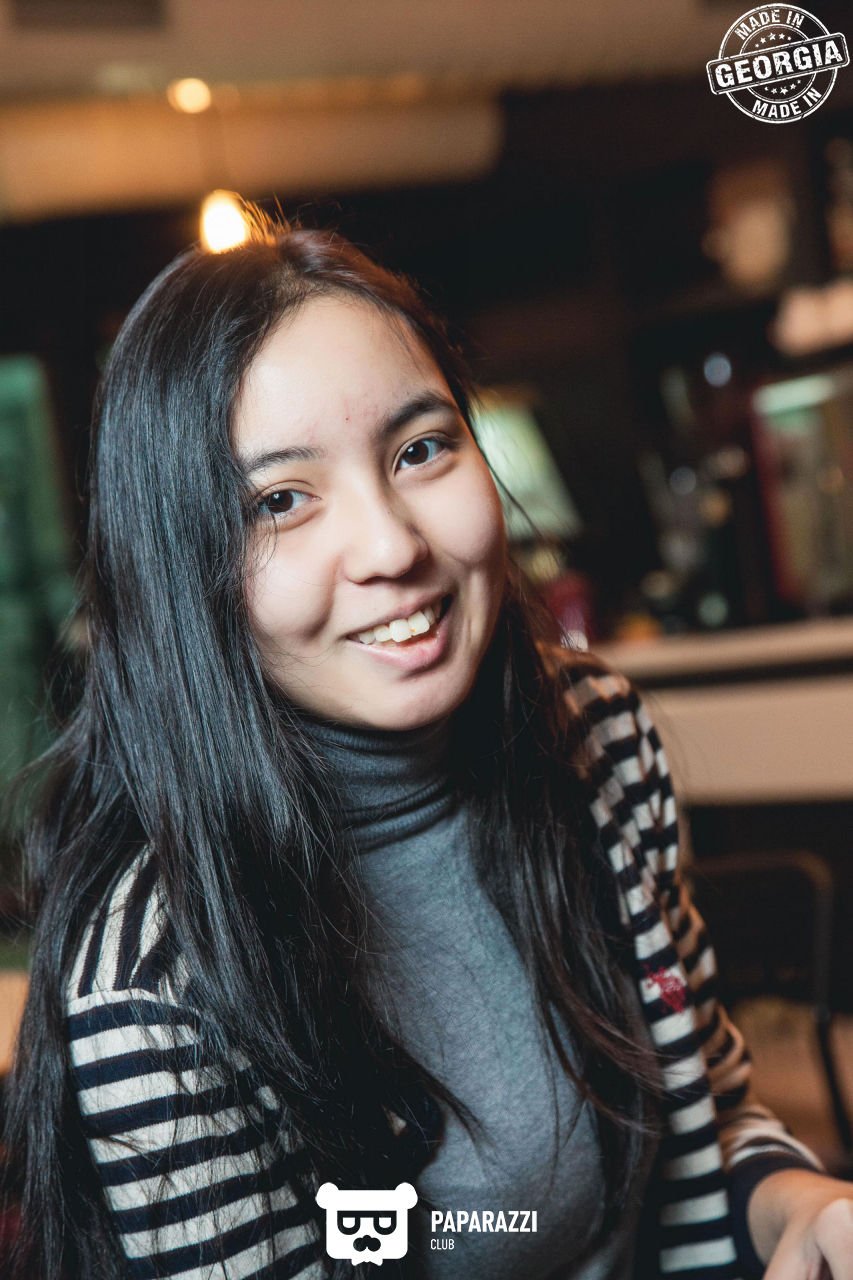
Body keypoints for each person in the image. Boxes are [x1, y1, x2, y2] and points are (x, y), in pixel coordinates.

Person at [2, 213, 852, 1280]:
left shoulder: (594, 735)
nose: (392, 546)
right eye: (280, 499)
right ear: (181, 572)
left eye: (420, 449)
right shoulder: (152, 968)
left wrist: (799, 1206)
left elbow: (703, 1117)